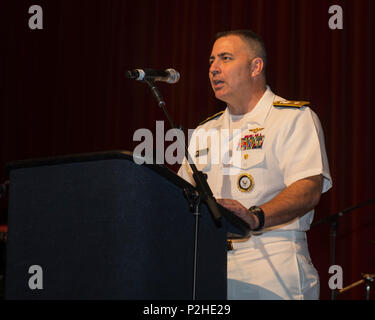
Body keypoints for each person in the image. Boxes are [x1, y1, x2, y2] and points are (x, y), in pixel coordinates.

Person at [177, 30, 332, 300]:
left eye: (225, 58)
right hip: (208, 268)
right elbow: (179, 196)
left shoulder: (292, 118)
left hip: (272, 267)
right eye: (211, 60)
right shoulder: (204, 131)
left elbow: (308, 188)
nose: (214, 68)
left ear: (255, 66)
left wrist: (255, 216)